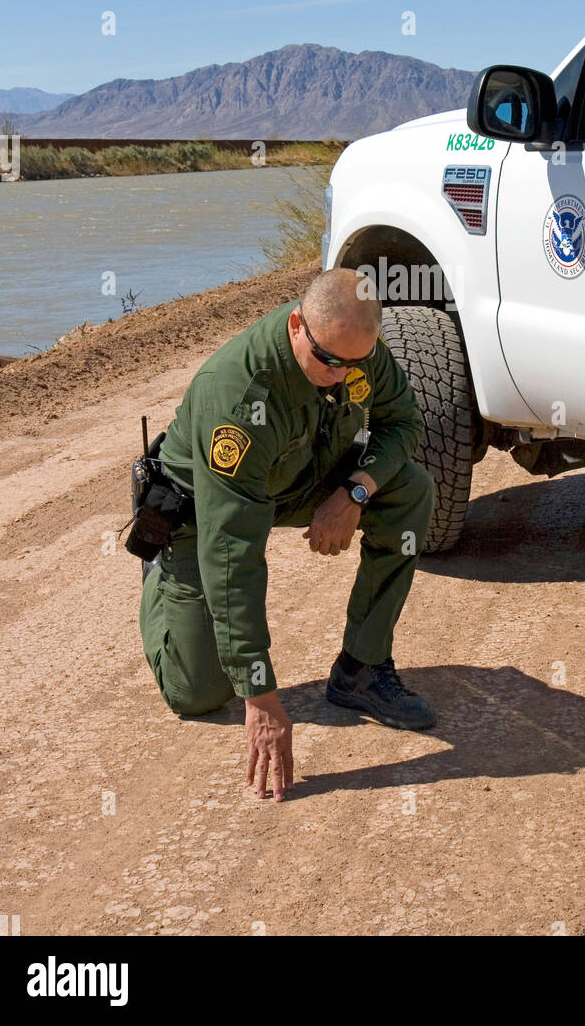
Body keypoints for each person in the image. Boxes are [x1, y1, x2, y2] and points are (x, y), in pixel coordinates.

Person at [138, 268, 436, 802]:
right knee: (197, 694)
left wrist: (354, 493)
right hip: (204, 513)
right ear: (298, 325)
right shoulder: (238, 398)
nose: (342, 376)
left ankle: (362, 668)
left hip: (295, 476)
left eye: (356, 363)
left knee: (411, 489)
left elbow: (403, 422)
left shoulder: (351, 345)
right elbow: (234, 553)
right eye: (329, 362)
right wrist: (260, 696)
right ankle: (161, 573)